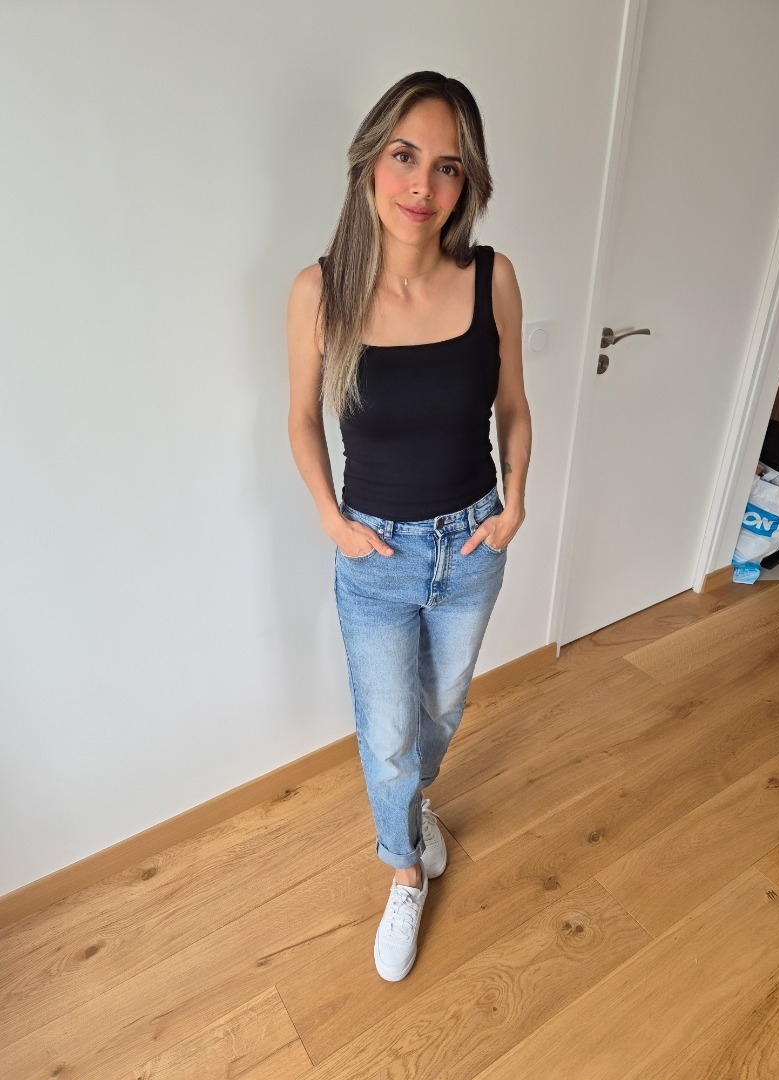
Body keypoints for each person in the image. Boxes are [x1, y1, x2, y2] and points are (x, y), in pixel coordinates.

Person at [287, 71, 531, 981]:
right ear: (369, 162)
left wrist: (516, 501)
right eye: (404, 156)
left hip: (471, 547)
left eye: (447, 167)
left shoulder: (492, 278)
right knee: (388, 731)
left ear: (468, 184)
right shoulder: (322, 293)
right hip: (377, 555)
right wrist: (332, 520)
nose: (422, 186)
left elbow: (514, 406)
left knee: (439, 711)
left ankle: (412, 808)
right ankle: (404, 868)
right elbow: (300, 418)